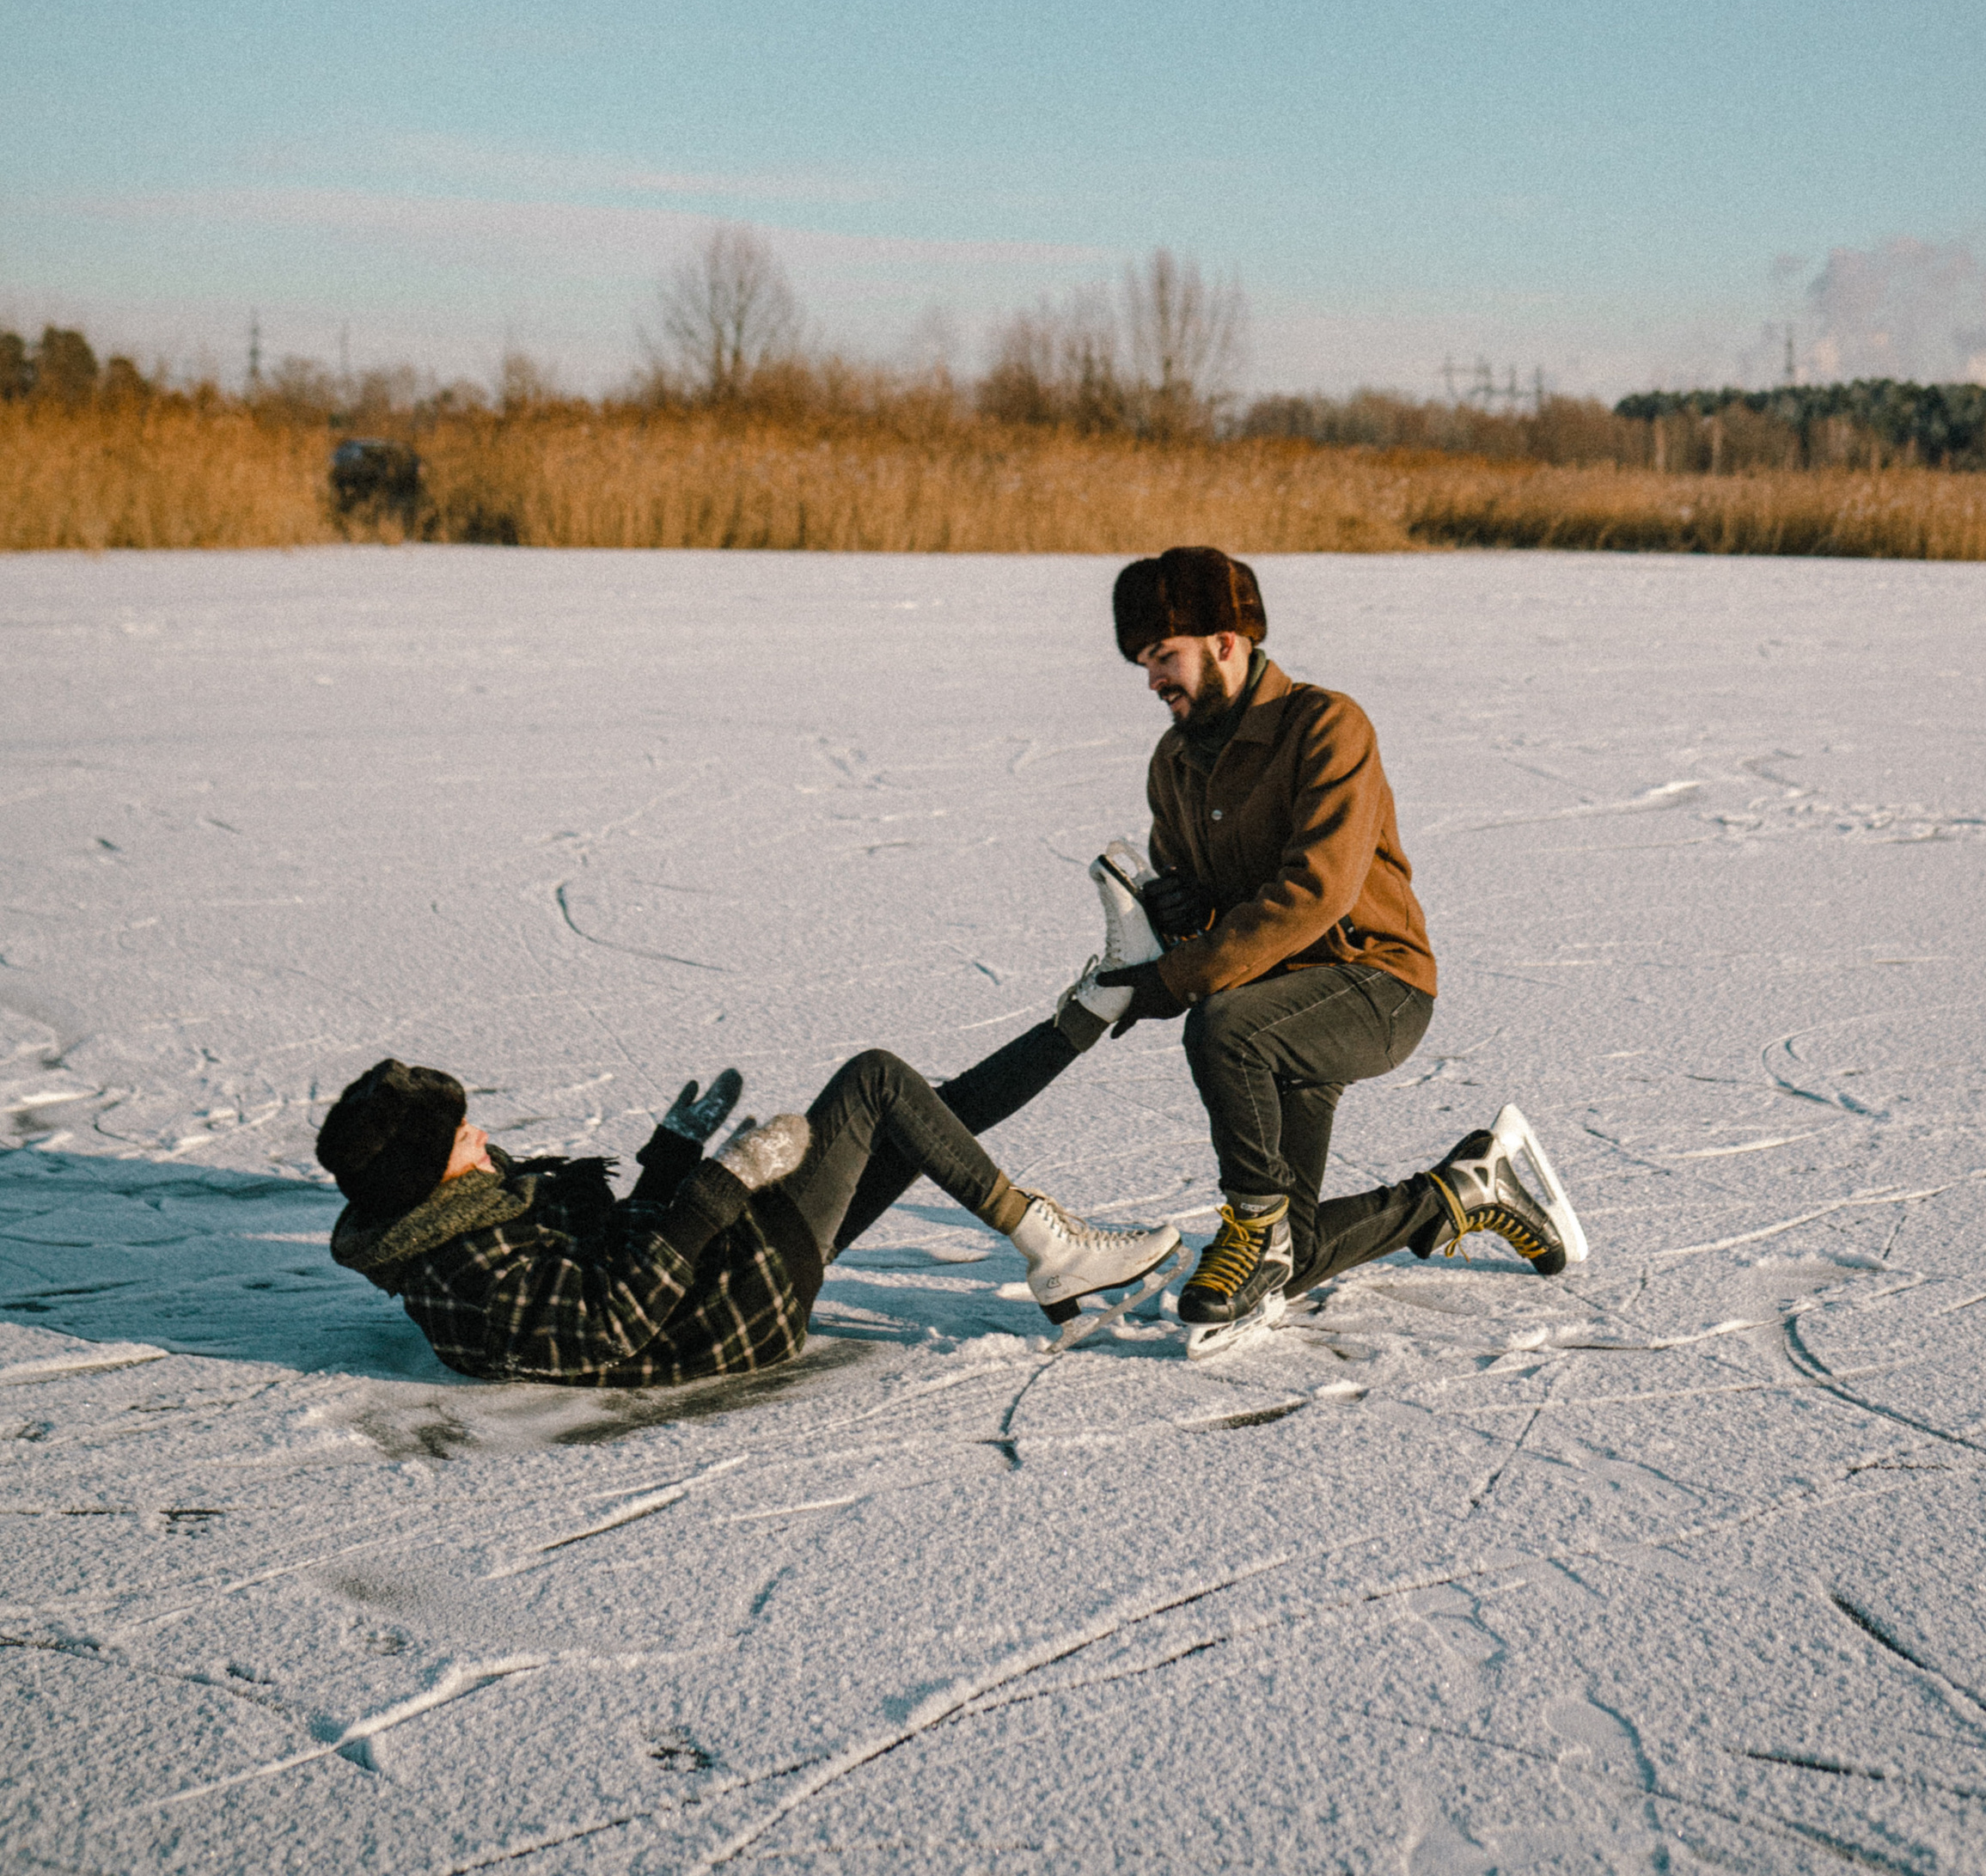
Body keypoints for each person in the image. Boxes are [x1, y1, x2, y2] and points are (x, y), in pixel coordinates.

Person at [1077, 544, 1586, 1335]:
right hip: (1275, 1004)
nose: (1152, 681)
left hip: (1375, 983)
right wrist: (1179, 909)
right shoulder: (1173, 762)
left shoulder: (1325, 725)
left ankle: (1252, 1225)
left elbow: (1319, 890)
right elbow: (1203, 909)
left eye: (1163, 656)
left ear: (1225, 641)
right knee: (1300, 1255)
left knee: (1225, 1029)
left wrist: (1177, 980)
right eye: (1144, 663)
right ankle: (1468, 1189)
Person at [315, 1025, 1176, 1388]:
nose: (478, 1132)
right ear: (422, 1176)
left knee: (917, 1118)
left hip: (722, 1278)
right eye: (457, 1135)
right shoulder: (466, 1267)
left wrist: (670, 1159)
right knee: (876, 1083)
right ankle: (1056, 1254)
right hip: (738, 1298)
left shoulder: (458, 1218)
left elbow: (605, 1259)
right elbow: (609, 1322)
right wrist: (718, 1188)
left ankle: (1089, 1010)